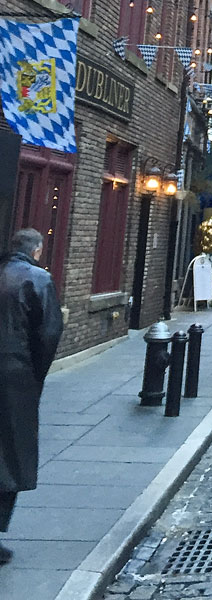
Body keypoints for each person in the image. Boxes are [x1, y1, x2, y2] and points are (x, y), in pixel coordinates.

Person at [0, 228, 64, 566]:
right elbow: (49, 333)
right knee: (10, 455)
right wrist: (34, 375)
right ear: (37, 250)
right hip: (15, 377)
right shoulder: (37, 279)